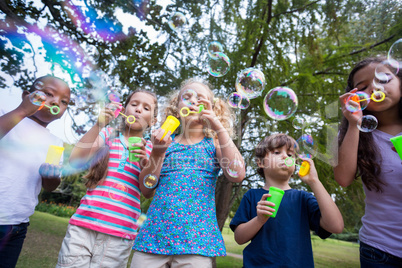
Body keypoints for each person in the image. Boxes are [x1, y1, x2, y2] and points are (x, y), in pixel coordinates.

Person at [131, 78, 246, 267]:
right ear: (176, 107)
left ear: (212, 109)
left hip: (196, 241)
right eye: (187, 97)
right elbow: (146, 188)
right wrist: (158, 152)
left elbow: (237, 173)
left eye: (201, 99)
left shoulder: (215, 144)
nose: (194, 101)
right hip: (154, 235)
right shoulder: (163, 143)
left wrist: (217, 125)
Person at [56, 89, 158, 268]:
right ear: (124, 111)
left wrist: (146, 163)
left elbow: (148, 191)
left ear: (153, 121)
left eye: (146, 108)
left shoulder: (151, 150)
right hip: (84, 226)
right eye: (134, 104)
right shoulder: (107, 136)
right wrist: (98, 125)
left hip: (120, 234)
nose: (138, 109)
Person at [230, 133, 344, 267]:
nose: (285, 156)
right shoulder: (251, 196)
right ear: (260, 162)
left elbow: (336, 226)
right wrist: (259, 220)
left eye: (290, 154)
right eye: (277, 152)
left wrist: (314, 181)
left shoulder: (303, 198)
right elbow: (239, 238)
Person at [334, 57, 402, 267]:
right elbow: (343, 179)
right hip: (380, 250)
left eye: (383, 79)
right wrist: (354, 123)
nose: (374, 87)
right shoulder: (356, 135)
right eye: (362, 87)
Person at [0, 75, 71, 268]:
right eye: (49, 94)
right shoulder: (7, 116)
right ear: (26, 95)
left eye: (64, 101)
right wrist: (22, 110)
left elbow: (50, 186)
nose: (56, 101)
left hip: (17, 225)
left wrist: (51, 176)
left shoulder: (55, 143)